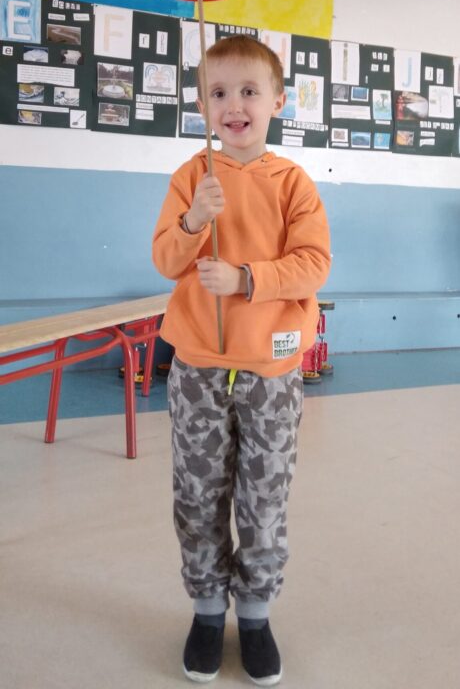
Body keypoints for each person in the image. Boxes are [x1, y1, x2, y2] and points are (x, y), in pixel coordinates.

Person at [153, 35, 331, 685]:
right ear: (203, 106)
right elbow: (166, 259)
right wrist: (194, 221)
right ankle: (207, 611)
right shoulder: (191, 178)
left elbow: (313, 263)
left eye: (249, 91)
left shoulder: (293, 183)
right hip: (198, 369)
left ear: (278, 101)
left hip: (272, 373)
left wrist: (247, 278)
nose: (234, 105)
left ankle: (254, 616)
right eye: (219, 93)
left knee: (264, 498)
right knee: (198, 495)